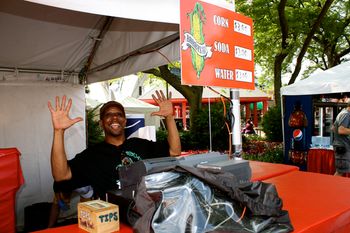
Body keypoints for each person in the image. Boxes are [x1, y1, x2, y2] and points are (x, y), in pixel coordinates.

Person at [47, 90, 181, 198]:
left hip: (143, 214)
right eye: (108, 115)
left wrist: (169, 117)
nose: (115, 117)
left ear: (125, 121)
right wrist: (58, 131)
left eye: (119, 114)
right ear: (101, 123)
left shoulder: (139, 145)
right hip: (110, 221)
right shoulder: (92, 155)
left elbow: (174, 151)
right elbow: (61, 175)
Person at [333, 98, 350, 177]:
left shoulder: (343, 113)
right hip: (342, 147)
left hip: (342, 146)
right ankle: (331, 188)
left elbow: (333, 128)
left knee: (341, 171)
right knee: (340, 171)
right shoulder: (346, 114)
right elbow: (341, 130)